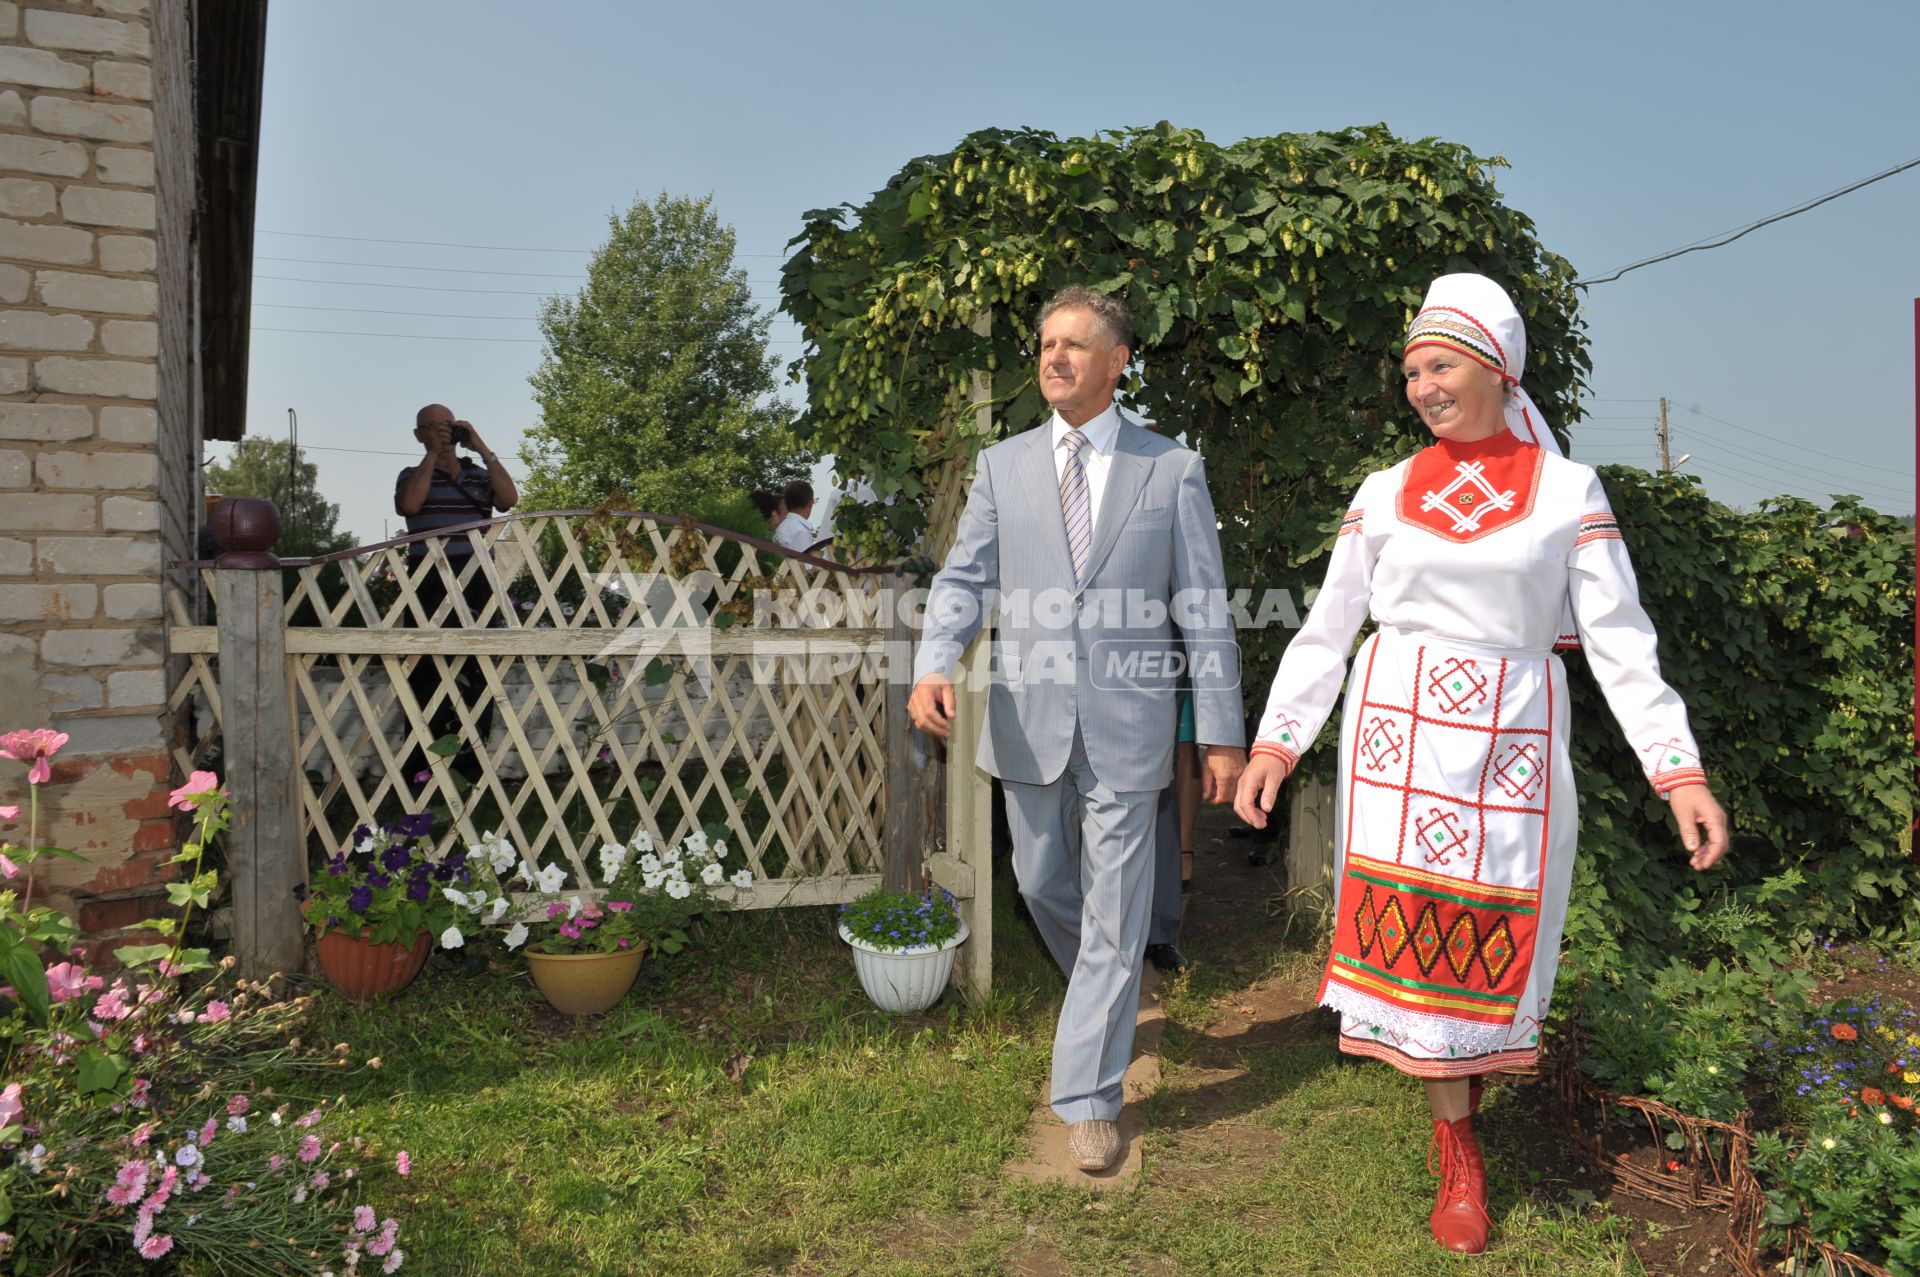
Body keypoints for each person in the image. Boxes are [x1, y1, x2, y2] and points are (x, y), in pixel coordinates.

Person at [1233, 274, 1729, 1253]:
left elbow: (1622, 637)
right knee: (1414, 948)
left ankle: (1463, 1107)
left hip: (1510, 747)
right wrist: (1276, 739)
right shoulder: (1382, 493)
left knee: (1490, 939)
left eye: (1441, 363)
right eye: (1412, 368)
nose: (1421, 384)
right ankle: (1458, 1149)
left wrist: (1679, 769)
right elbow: (1328, 628)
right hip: (1396, 744)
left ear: (1498, 369)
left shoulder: (1568, 492)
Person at [908, 286, 1246, 1173]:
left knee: (1115, 906)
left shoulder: (1170, 469)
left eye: (1074, 344)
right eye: (1046, 343)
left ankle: (1089, 1096)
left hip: (1132, 724)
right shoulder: (1001, 466)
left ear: (1118, 360)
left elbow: (1203, 610)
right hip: (1031, 718)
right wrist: (934, 660)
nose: (1054, 357)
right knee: (1044, 881)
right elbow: (963, 580)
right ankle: (1115, 985)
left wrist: (1220, 730)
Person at [393, 404, 518, 782]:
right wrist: (434, 455)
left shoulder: (479, 474)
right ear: (418, 434)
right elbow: (410, 505)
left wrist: (480, 445)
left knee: (476, 667)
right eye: (430, 427)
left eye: (446, 426)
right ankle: (420, 766)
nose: (440, 432)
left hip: (476, 575)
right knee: (426, 668)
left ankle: (470, 765)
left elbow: (509, 500)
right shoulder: (411, 474)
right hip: (428, 577)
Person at [773, 480, 816, 552]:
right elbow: (805, 562)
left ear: (786, 503)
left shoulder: (782, 527)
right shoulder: (801, 531)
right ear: (810, 503)